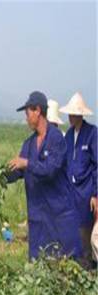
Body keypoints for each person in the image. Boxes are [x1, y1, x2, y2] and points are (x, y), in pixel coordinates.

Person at [6, 91, 82, 260]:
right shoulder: (29, 143)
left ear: (37, 111)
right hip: (38, 216)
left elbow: (50, 170)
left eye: (27, 113)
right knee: (38, 263)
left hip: (57, 215)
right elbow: (19, 171)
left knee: (63, 263)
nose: (26, 118)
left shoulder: (56, 139)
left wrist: (27, 163)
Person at [60, 92, 97, 268]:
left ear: (79, 114)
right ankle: (77, 266)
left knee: (85, 230)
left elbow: (97, 165)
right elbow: (65, 163)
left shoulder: (92, 134)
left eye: (73, 114)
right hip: (72, 192)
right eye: (69, 114)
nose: (70, 117)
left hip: (86, 192)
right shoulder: (68, 136)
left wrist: (95, 194)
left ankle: (88, 268)